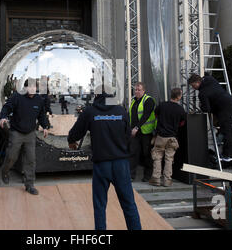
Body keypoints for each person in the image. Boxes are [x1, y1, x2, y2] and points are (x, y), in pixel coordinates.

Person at [67, 90, 141, 230]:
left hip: (102, 164)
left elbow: (76, 132)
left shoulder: (90, 111)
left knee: (100, 205)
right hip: (121, 164)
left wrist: (71, 141)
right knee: (129, 204)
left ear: (96, 96)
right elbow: (128, 136)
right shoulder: (121, 110)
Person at [0, 79, 50, 195]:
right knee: (12, 156)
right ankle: (5, 171)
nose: (32, 89)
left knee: (30, 160)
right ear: (25, 87)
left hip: (30, 133)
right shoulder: (17, 97)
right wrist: (3, 117)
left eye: (34, 87)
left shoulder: (38, 100)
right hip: (16, 132)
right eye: (29, 87)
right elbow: (7, 107)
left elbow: (41, 115)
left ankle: (29, 185)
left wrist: (45, 126)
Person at [188, 74, 232, 160]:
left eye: (193, 86)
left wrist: (201, 106)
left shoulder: (202, 93)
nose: (194, 88)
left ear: (197, 82)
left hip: (223, 109)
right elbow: (207, 75)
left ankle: (227, 154)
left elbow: (206, 109)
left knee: (226, 131)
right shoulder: (210, 79)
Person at [149, 88, 186, 187]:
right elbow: (182, 123)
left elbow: (156, 114)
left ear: (171, 95)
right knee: (169, 159)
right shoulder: (180, 109)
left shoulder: (162, 105)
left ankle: (156, 179)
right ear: (178, 97)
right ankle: (167, 180)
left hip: (161, 136)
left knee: (157, 157)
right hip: (172, 137)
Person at [128, 82, 157, 182]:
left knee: (146, 154)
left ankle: (148, 176)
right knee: (133, 152)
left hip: (146, 132)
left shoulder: (148, 100)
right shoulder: (133, 101)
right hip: (135, 133)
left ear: (144, 91)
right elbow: (130, 116)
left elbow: (146, 115)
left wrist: (136, 127)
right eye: (135, 90)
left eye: (139, 90)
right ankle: (130, 175)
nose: (137, 91)